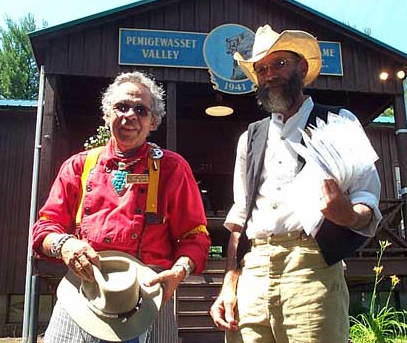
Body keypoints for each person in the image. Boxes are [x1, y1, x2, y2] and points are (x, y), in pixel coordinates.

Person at [209, 25, 382, 343]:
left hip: (311, 264)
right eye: (261, 69)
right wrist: (229, 284)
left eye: (279, 64)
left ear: (302, 67)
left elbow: (366, 197)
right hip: (254, 268)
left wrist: (350, 216)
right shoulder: (250, 137)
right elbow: (240, 217)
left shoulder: (338, 123)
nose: (270, 74)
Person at [32, 71, 211, 343]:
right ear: (106, 115)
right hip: (82, 296)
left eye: (141, 109)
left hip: (148, 300)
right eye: (122, 107)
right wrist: (66, 246)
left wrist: (179, 272)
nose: (130, 116)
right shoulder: (78, 165)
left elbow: (195, 237)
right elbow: (44, 228)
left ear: (154, 121)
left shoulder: (172, 168)